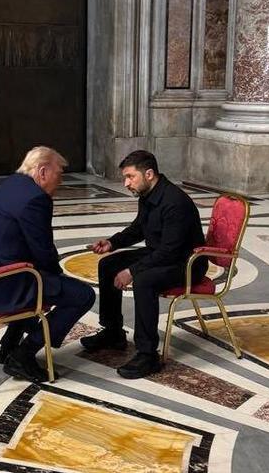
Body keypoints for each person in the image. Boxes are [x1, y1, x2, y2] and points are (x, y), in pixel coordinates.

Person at [0, 146, 95, 382]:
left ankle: (8, 345)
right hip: (3, 285)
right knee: (82, 295)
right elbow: (43, 250)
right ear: (43, 171)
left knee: (42, 280)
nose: (61, 181)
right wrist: (59, 279)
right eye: (59, 174)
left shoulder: (8, 185)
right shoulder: (36, 198)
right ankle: (23, 355)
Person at [81, 150, 207, 378]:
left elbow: (170, 251)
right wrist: (112, 243)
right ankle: (113, 332)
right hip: (161, 254)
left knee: (144, 280)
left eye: (130, 177)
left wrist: (132, 271)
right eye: (126, 178)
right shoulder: (148, 195)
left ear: (148, 174)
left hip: (186, 264)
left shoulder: (175, 202)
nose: (126, 183)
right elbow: (139, 228)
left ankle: (148, 354)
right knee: (108, 265)